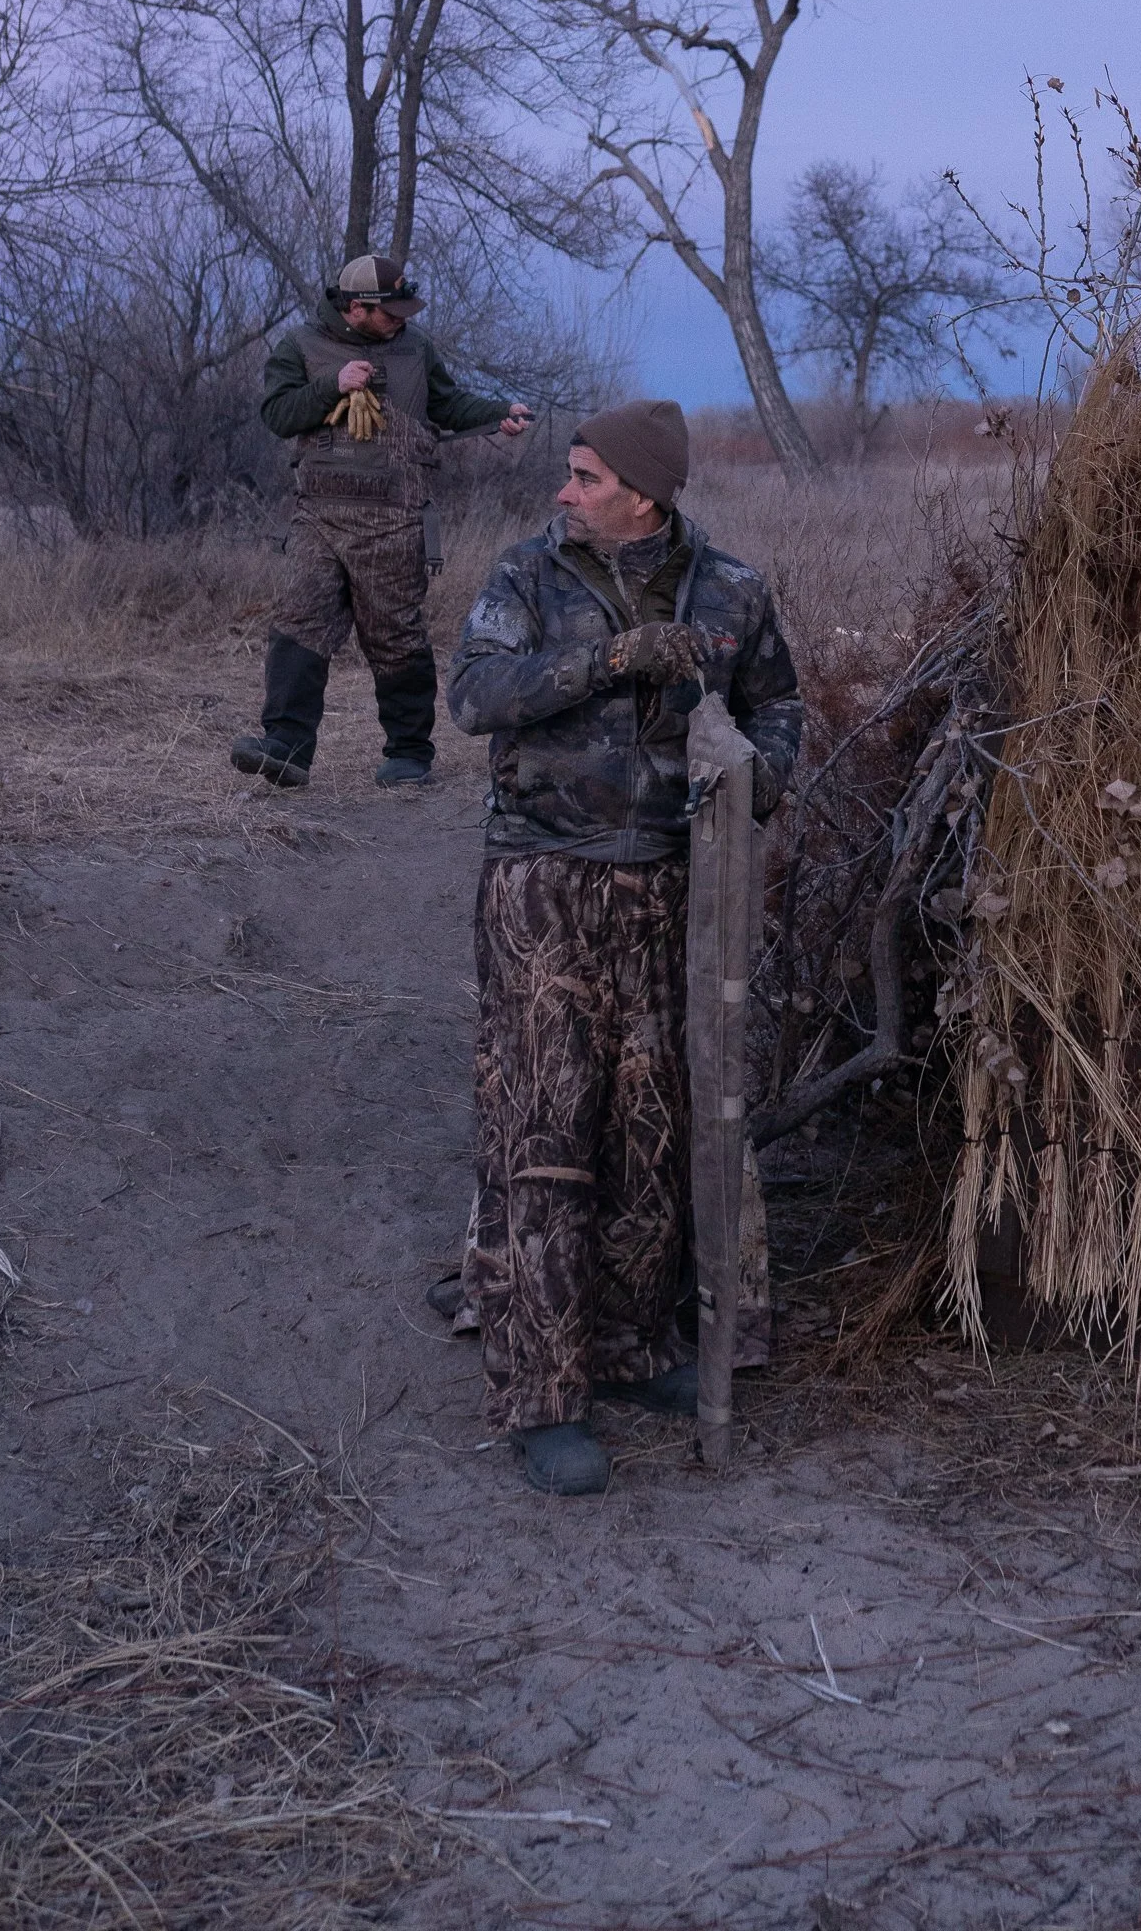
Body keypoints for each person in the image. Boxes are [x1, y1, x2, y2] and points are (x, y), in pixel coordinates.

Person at [445, 398, 802, 1497]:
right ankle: (543, 1398)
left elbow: (776, 704)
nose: (565, 490)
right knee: (544, 1132)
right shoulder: (525, 578)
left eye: (586, 476)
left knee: (650, 1129)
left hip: (669, 890)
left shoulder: (733, 589)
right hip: (542, 885)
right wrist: (606, 661)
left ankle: (632, 1350)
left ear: (644, 492)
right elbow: (473, 698)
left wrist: (758, 779)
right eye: (569, 473)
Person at [232, 254, 533, 791]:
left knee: (395, 636)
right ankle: (286, 748)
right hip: (319, 518)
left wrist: (497, 413)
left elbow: (448, 403)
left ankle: (409, 752)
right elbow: (277, 415)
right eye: (390, 311)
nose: (402, 319)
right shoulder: (298, 347)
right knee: (299, 622)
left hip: (396, 520)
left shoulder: (415, 349)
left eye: (404, 309)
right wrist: (334, 386)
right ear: (354, 309)